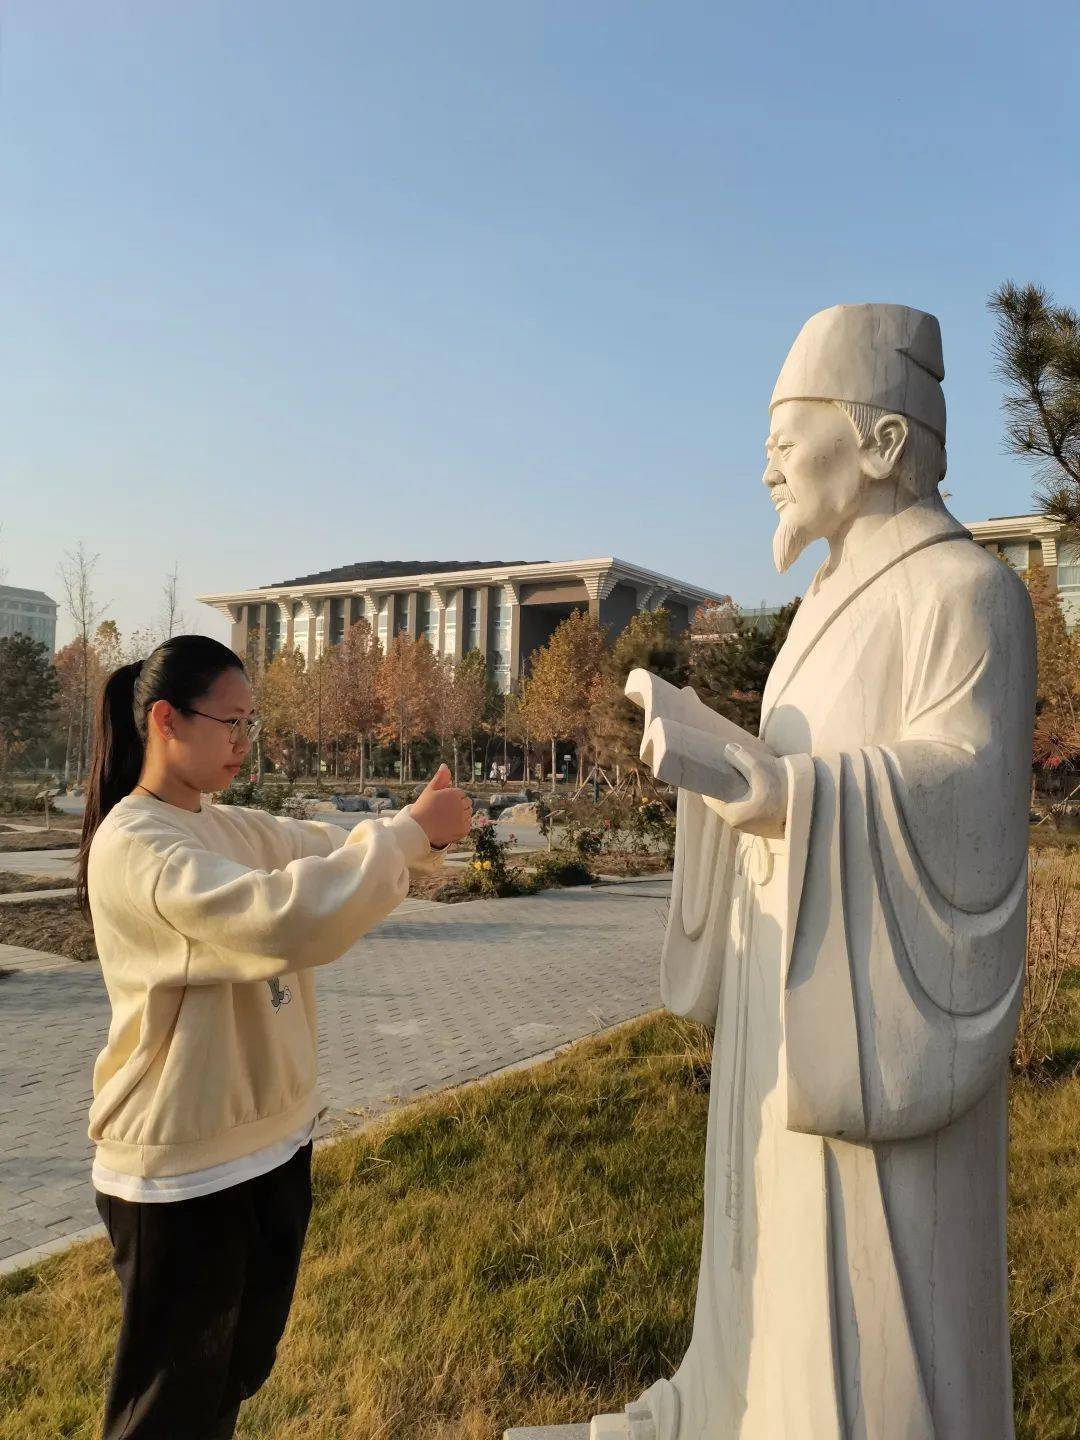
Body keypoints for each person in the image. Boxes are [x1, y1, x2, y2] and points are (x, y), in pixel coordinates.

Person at [78, 634, 471, 1440]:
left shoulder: (226, 827)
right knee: (165, 1415)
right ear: (165, 720)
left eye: (250, 723)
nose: (243, 743)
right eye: (230, 722)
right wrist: (405, 838)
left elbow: (321, 852)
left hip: (268, 1149)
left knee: (227, 1386)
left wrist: (413, 832)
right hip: (180, 1173)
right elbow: (284, 916)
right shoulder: (137, 846)